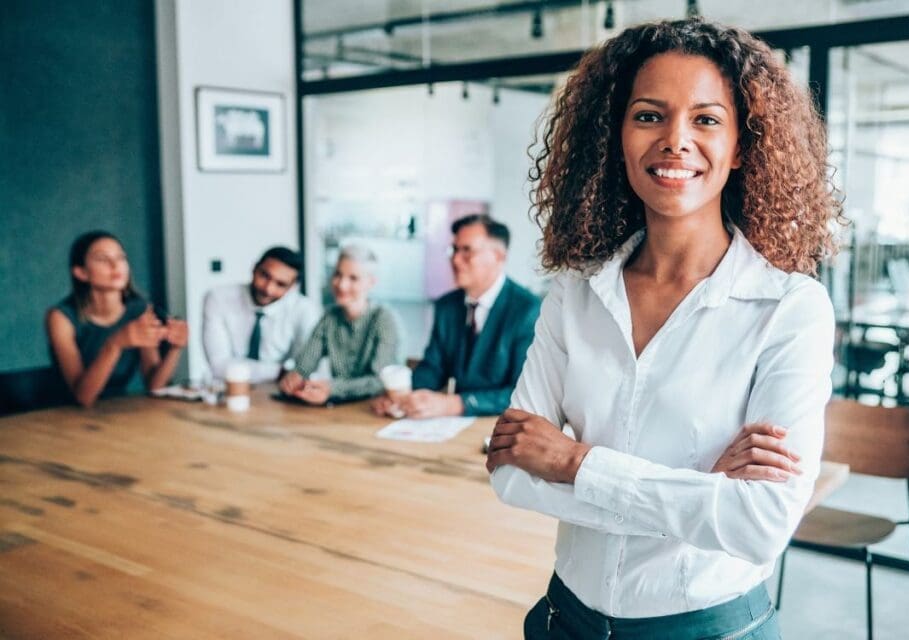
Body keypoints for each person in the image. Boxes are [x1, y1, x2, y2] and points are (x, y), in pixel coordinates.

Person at [486, 18, 841, 639]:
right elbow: (513, 472)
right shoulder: (574, 293)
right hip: (563, 621)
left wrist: (574, 461)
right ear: (615, 136)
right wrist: (700, 497)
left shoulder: (790, 308)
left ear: (741, 145)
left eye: (706, 119)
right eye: (649, 115)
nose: (676, 140)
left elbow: (760, 526)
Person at [370, 214, 541, 418]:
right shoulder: (447, 306)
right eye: (454, 250)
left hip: (502, 426)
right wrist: (401, 397)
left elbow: (523, 393)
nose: (455, 260)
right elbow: (434, 368)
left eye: (467, 251)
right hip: (452, 428)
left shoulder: (528, 310)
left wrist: (455, 404)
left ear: (498, 257)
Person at [47, 231, 188, 407]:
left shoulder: (140, 310)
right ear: (81, 272)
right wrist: (115, 343)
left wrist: (175, 349)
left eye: (121, 258)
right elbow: (83, 398)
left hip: (117, 410)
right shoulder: (60, 318)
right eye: (102, 259)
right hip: (61, 416)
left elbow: (154, 387)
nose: (115, 265)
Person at [279, 245, 401, 405]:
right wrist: (295, 377)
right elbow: (305, 364)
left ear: (371, 283)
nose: (341, 285)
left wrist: (332, 389)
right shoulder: (329, 317)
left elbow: (379, 381)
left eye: (353, 278)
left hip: (376, 407)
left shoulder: (384, 319)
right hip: (338, 409)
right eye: (338, 274)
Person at [202, 246, 319, 384]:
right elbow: (219, 366)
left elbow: (306, 367)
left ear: (292, 287)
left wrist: (294, 373)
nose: (268, 289)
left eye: (280, 284)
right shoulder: (218, 298)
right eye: (264, 276)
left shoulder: (304, 309)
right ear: (254, 268)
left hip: (280, 393)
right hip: (228, 389)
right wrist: (281, 372)